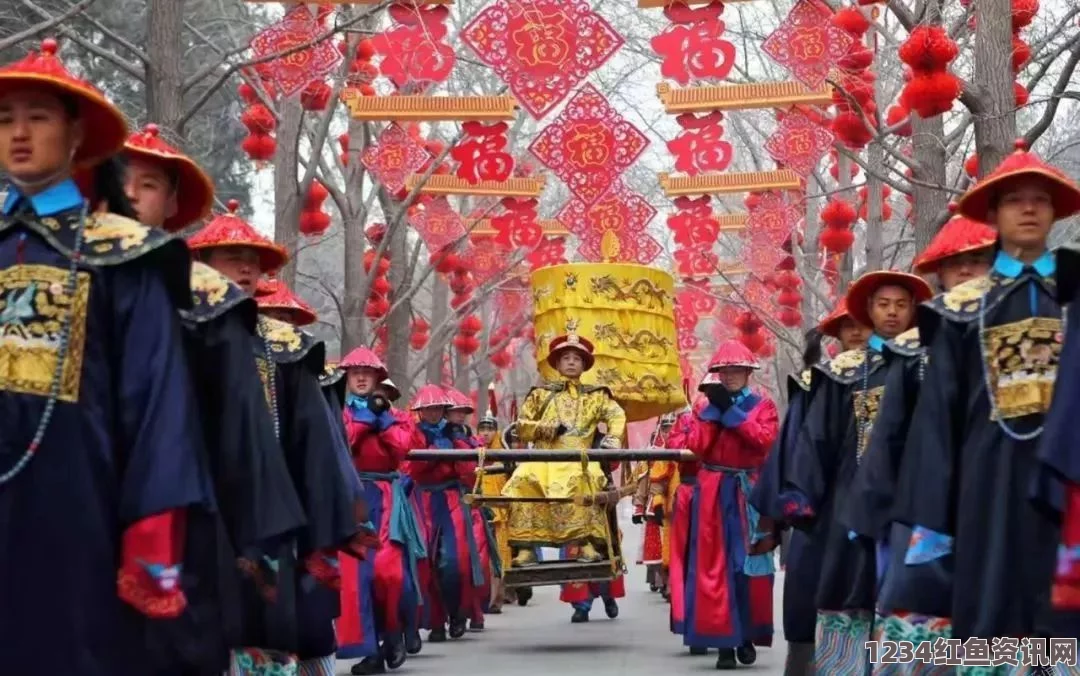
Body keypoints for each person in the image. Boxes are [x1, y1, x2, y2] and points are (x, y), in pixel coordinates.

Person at [0, 39, 210, 675]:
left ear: (75, 135)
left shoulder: (123, 255)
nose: (18, 134)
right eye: (5, 119)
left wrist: (150, 530)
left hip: (82, 505)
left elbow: (157, 403)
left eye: (37, 117)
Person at [122, 121, 307, 675]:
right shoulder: (73, 270)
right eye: (229, 257)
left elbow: (290, 431)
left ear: (174, 200)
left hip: (208, 491)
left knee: (211, 624)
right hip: (88, 482)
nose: (245, 269)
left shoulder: (249, 328)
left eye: (148, 183)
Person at [896, 140, 1078, 651]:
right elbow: (936, 420)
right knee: (992, 607)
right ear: (994, 214)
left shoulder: (1076, 291)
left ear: (1054, 212)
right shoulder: (958, 309)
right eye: (1014, 199)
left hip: (1071, 483)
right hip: (986, 482)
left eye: (1039, 199)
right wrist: (931, 520)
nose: (1027, 208)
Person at [189, 203, 367, 676]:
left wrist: (323, 525)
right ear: (201, 266)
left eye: (253, 259)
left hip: (269, 512)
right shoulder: (176, 328)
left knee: (264, 629)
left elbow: (317, 443)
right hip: (192, 504)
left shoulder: (284, 346)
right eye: (231, 257)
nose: (246, 267)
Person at [843, 208, 995, 674]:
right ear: (941, 274)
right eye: (955, 262)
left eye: (978, 258)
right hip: (924, 502)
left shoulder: (1026, 325)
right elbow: (886, 437)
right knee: (925, 617)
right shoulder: (911, 354)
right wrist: (871, 513)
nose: (967, 270)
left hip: (1004, 496)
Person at [785, 269, 932, 673]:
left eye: (902, 305)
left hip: (913, 503)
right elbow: (816, 441)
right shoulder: (843, 374)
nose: (892, 313)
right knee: (850, 592)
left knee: (908, 596)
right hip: (849, 504)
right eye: (883, 305)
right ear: (868, 311)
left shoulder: (928, 364)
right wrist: (804, 501)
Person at [670, 341, 780, 670]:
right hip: (713, 494)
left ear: (749, 373)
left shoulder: (764, 405)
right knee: (713, 569)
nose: (730, 376)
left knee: (748, 567)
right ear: (717, 374)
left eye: (737, 370)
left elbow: (764, 441)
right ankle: (724, 643)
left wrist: (732, 414)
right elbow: (698, 448)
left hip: (748, 493)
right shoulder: (705, 407)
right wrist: (712, 416)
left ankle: (746, 634)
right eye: (724, 370)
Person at [502, 331, 627, 569]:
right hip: (542, 460)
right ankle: (526, 548)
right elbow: (521, 427)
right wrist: (545, 428)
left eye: (576, 358)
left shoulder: (597, 396)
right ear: (557, 364)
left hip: (580, 459)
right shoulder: (540, 395)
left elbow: (616, 414)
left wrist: (613, 437)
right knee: (522, 479)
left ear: (584, 365)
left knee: (582, 479)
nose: (571, 362)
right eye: (566, 358)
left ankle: (586, 544)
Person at [336, 347, 425, 676]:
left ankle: (393, 632)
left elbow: (403, 448)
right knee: (358, 579)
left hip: (387, 497)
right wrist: (364, 420)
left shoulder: (398, 415)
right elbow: (341, 442)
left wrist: (383, 417)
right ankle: (371, 650)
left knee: (389, 574)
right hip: (353, 497)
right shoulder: (338, 411)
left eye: (367, 372)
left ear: (377, 378)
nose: (360, 377)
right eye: (354, 372)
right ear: (347, 377)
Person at [748, 329, 823, 676]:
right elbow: (788, 453)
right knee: (809, 600)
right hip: (818, 510)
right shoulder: (810, 390)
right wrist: (774, 519)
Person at [403, 384, 482, 643]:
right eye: (428, 408)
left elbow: (469, 469)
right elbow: (410, 468)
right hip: (422, 500)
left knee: (454, 562)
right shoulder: (412, 434)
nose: (433, 413)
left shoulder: (457, 434)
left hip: (451, 499)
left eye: (438, 408)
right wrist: (437, 457)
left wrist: (455, 450)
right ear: (420, 411)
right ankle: (435, 621)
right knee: (425, 563)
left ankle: (458, 612)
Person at [443, 386, 497, 631]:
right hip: (443, 502)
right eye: (454, 412)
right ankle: (449, 614)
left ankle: (472, 610)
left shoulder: (470, 439)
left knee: (475, 561)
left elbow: (473, 468)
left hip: (470, 502)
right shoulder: (438, 437)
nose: (459, 416)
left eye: (463, 412)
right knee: (448, 563)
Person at [476, 398, 511, 614]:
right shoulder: (474, 452)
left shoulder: (504, 454)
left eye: (490, 429)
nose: (486, 433)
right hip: (480, 511)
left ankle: (497, 598)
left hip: (500, 513)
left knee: (500, 557)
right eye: (483, 428)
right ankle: (483, 599)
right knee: (482, 558)